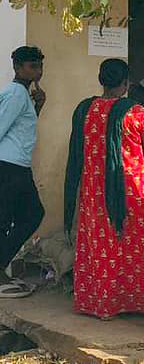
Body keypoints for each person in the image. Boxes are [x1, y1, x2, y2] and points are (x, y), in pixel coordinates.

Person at [65, 59, 144, 319]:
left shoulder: (84, 110)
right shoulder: (134, 112)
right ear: (125, 83)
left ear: (101, 80)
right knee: (139, 242)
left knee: (102, 244)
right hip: (131, 190)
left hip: (94, 191)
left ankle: (103, 304)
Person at [0, 46, 46, 297]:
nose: (37, 71)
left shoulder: (23, 94)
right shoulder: (17, 93)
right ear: (18, 68)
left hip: (17, 165)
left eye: (39, 66)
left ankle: (2, 268)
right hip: (9, 166)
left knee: (14, 217)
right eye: (31, 66)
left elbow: (21, 129)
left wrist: (38, 106)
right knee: (28, 215)